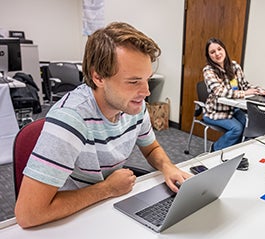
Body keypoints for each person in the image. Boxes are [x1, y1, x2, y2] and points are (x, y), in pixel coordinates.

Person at [15, 22, 191, 228]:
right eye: (133, 82)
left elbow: (151, 148)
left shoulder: (133, 104)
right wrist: (107, 189)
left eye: (147, 80)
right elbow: (29, 214)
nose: (146, 92)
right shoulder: (71, 118)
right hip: (67, 219)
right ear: (98, 77)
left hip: (107, 204)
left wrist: (168, 167)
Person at [202, 38, 265, 151]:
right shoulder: (208, 70)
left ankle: (233, 152)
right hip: (214, 112)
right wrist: (243, 93)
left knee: (250, 126)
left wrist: (261, 91)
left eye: (219, 49)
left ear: (224, 49)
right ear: (209, 56)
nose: (217, 53)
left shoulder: (234, 66)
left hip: (233, 110)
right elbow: (219, 91)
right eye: (212, 52)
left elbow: (245, 85)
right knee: (237, 129)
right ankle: (215, 150)